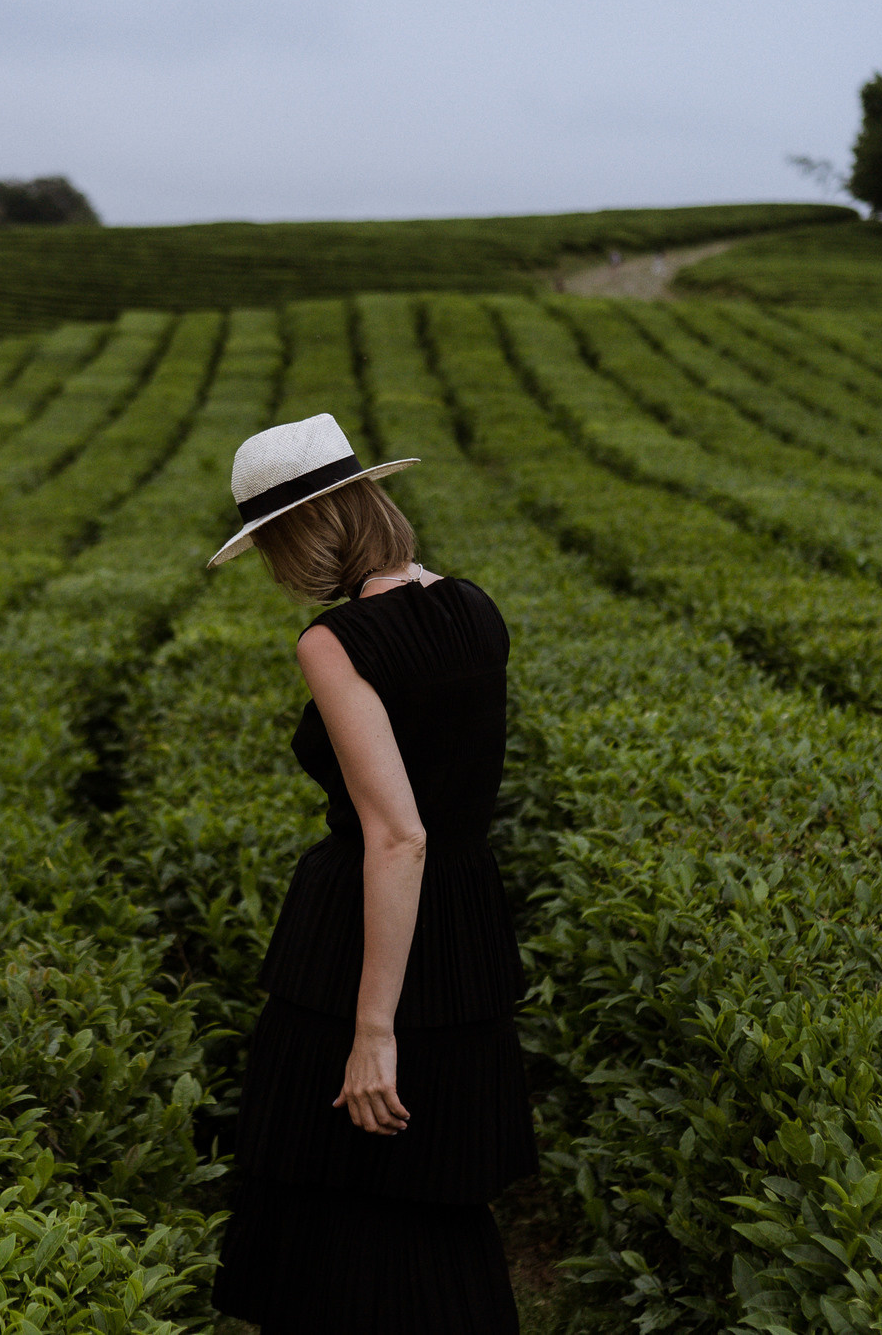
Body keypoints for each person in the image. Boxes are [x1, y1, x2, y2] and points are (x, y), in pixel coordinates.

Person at [203, 413, 534, 1334]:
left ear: (303, 533)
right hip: (462, 929)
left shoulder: (335, 642)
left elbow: (398, 835)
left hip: (365, 935)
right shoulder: (476, 607)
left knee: (326, 1189)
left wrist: (372, 1026)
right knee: (434, 1195)